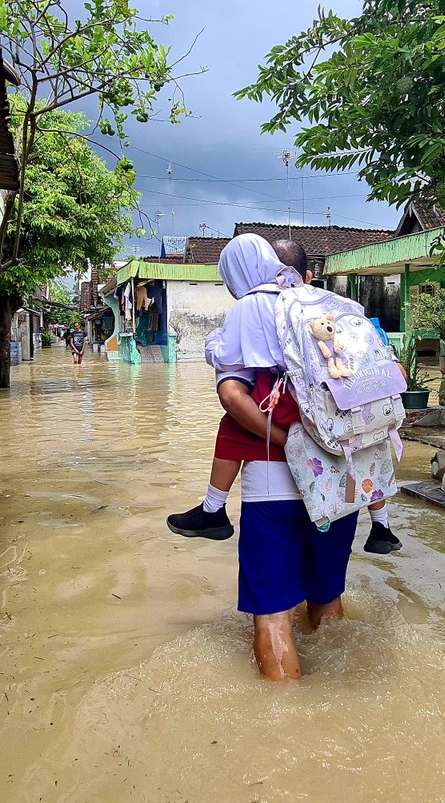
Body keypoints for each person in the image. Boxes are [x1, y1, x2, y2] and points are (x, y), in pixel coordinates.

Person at [176, 233, 362, 680]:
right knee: (327, 600)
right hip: (341, 478)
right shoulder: (328, 305)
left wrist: (285, 440)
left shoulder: (248, 312)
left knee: (275, 616)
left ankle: (286, 727)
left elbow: (231, 396)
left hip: (273, 483)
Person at [167, 238, 403, 554]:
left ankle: (214, 508)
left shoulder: (251, 304)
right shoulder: (315, 299)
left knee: (234, 421)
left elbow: (231, 368)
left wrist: (214, 341)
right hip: (341, 408)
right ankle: (381, 524)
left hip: (287, 421)